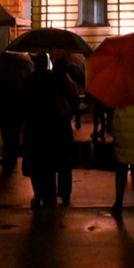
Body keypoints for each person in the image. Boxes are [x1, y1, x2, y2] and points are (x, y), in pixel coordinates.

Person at [21, 54, 73, 208]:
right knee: (49, 164)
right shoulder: (53, 81)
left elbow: (23, 105)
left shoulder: (28, 81)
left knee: (35, 165)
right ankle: (50, 196)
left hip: (33, 127)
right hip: (51, 127)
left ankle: (38, 195)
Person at [52, 58, 80, 204]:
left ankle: (49, 193)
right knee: (65, 162)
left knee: (50, 161)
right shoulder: (70, 84)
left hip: (51, 127)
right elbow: (75, 106)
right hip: (64, 127)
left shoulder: (50, 83)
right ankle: (65, 193)